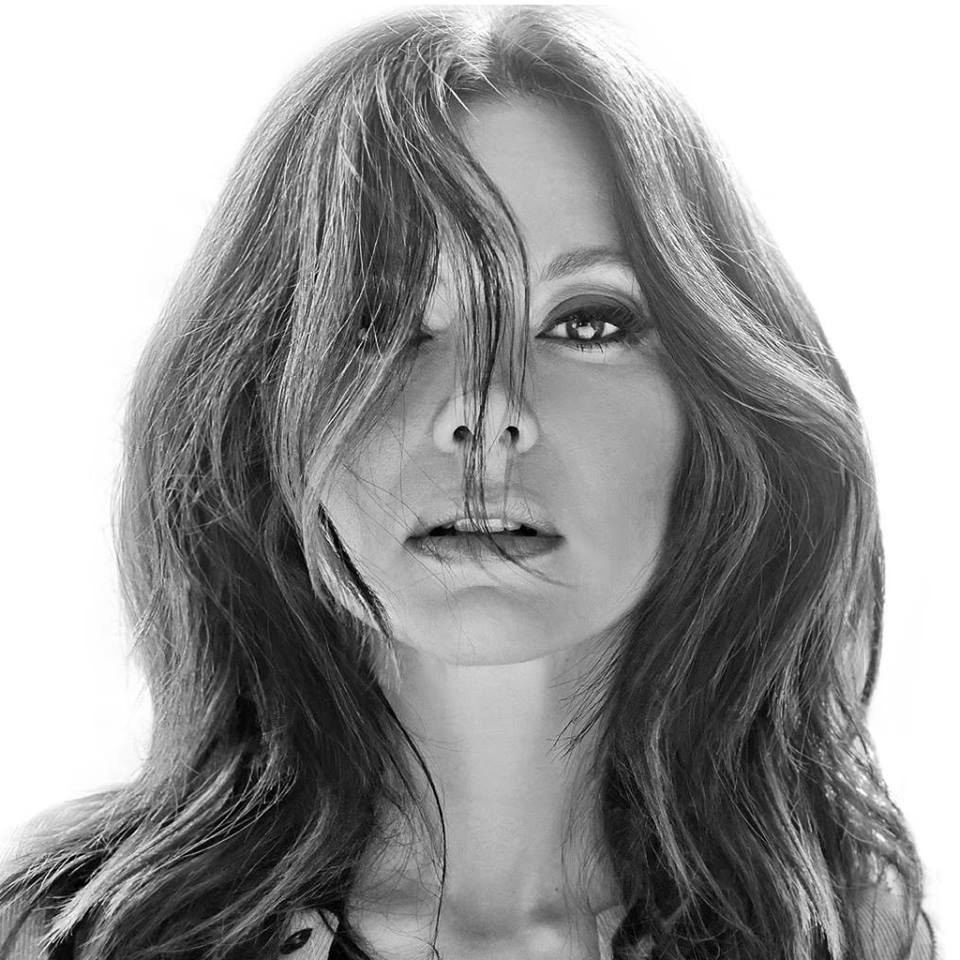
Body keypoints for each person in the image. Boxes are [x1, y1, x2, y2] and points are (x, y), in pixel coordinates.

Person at [0, 5, 938, 959]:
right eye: (376, 323)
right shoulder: (76, 936)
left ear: (717, 407)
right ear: (261, 412)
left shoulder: (839, 934)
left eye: (588, 322)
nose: (485, 409)